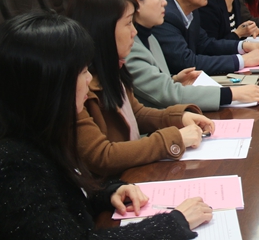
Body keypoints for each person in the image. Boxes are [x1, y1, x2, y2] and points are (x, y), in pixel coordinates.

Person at [0, 12, 212, 238]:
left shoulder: (42, 132)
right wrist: (174, 223)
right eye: (83, 72)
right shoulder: (15, 166)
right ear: (51, 84)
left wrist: (108, 192)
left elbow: (68, 198)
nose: (88, 79)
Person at [66, 0, 216, 178]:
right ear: (103, 30)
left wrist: (179, 118)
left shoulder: (114, 66)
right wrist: (173, 138)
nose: (134, 32)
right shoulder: (79, 87)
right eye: (128, 23)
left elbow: (136, 113)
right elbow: (101, 156)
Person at [111, 0, 259, 111]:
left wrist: (174, 80)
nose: (164, 2)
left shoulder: (149, 36)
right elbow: (166, 95)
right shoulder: (128, 48)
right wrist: (232, 94)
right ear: (136, 4)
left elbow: (154, 85)